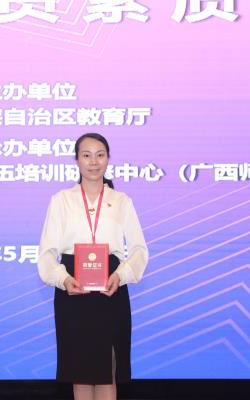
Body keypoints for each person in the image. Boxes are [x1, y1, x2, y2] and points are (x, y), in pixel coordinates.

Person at [37, 133, 149, 400]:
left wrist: (121, 275)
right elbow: (47, 253)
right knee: (81, 371)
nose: (94, 162)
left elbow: (139, 250)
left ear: (108, 159)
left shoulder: (121, 201)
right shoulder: (61, 200)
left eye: (100, 155)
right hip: (73, 288)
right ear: (77, 160)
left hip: (111, 287)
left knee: (108, 370)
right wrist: (63, 279)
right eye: (86, 155)